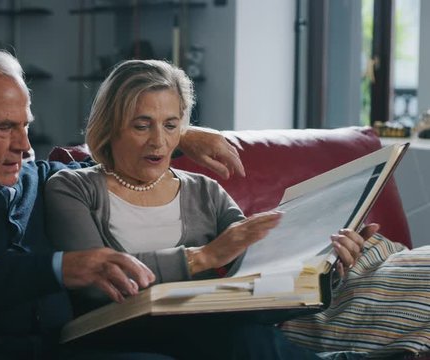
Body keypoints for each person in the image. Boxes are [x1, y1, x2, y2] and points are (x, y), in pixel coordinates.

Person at [0, 51, 249, 359]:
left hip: (56, 350)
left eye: (25, 125)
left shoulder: (38, 175)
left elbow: (112, 157)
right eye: (4, 127)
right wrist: (58, 268)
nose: (24, 145)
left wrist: (182, 135)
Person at [44, 59, 376, 359]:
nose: (158, 141)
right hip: (113, 335)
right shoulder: (71, 188)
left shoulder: (204, 191)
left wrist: (325, 264)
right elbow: (91, 282)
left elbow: (258, 268)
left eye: (171, 125)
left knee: (242, 335)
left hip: (205, 331)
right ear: (110, 127)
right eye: (142, 126)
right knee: (235, 338)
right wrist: (203, 257)